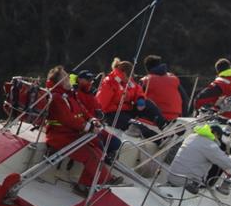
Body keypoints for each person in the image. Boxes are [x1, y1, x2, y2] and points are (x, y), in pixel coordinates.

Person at [44, 66, 119, 195]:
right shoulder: (57, 98)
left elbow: (82, 110)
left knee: (97, 151)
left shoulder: (69, 95)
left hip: (72, 134)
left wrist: (93, 120)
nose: (68, 78)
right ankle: (106, 181)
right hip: (59, 137)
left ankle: (85, 185)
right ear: (59, 82)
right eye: (65, 77)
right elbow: (68, 119)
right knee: (91, 155)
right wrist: (88, 127)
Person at [97, 58, 167, 130]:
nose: (130, 79)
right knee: (137, 126)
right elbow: (100, 104)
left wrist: (140, 99)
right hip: (113, 114)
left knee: (147, 103)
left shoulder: (129, 81)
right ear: (123, 73)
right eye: (129, 76)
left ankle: (163, 124)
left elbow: (138, 91)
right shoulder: (109, 82)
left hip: (127, 110)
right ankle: (157, 140)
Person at [167, 124, 231, 188]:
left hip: (171, 176)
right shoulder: (210, 145)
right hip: (185, 184)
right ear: (215, 134)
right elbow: (227, 164)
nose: (217, 140)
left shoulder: (191, 136)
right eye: (218, 138)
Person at [74, 70, 121, 162]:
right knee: (100, 145)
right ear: (79, 80)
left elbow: (98, 108)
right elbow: (80, 111)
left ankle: (106, 157)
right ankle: (103, 159)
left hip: (96, 125)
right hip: (85, 127)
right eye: (87, 80)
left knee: (116, 142)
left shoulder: (91, 95)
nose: (90, 82)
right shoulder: (75, 93)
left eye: (91, 80)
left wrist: (101, 115)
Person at [140, 55, 188, 121]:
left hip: (155, 118)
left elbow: (138, 98)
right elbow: (184, 98)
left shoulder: (145, 80)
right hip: (175, 117)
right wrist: (184, 116)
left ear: (147, 67)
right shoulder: (174, 79)